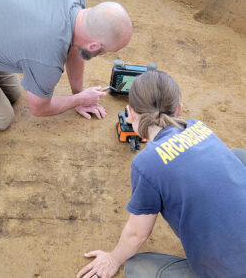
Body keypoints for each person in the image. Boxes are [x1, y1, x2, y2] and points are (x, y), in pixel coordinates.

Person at [77, 70, 246, 278]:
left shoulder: (146, 163)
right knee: (237, 156)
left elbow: (137, 234)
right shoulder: (199, 127)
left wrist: (112, 259)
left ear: (130, 113)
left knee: (137, 267)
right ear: (179, 108)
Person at [0, 0, 132, 130]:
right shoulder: (48, 56)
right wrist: (80, 99)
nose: (105, 54)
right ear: (94, 46)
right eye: (107, 51)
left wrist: (78, 94)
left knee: (13, 94)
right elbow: (39, 108)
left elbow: (75, 47)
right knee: (0, 118)